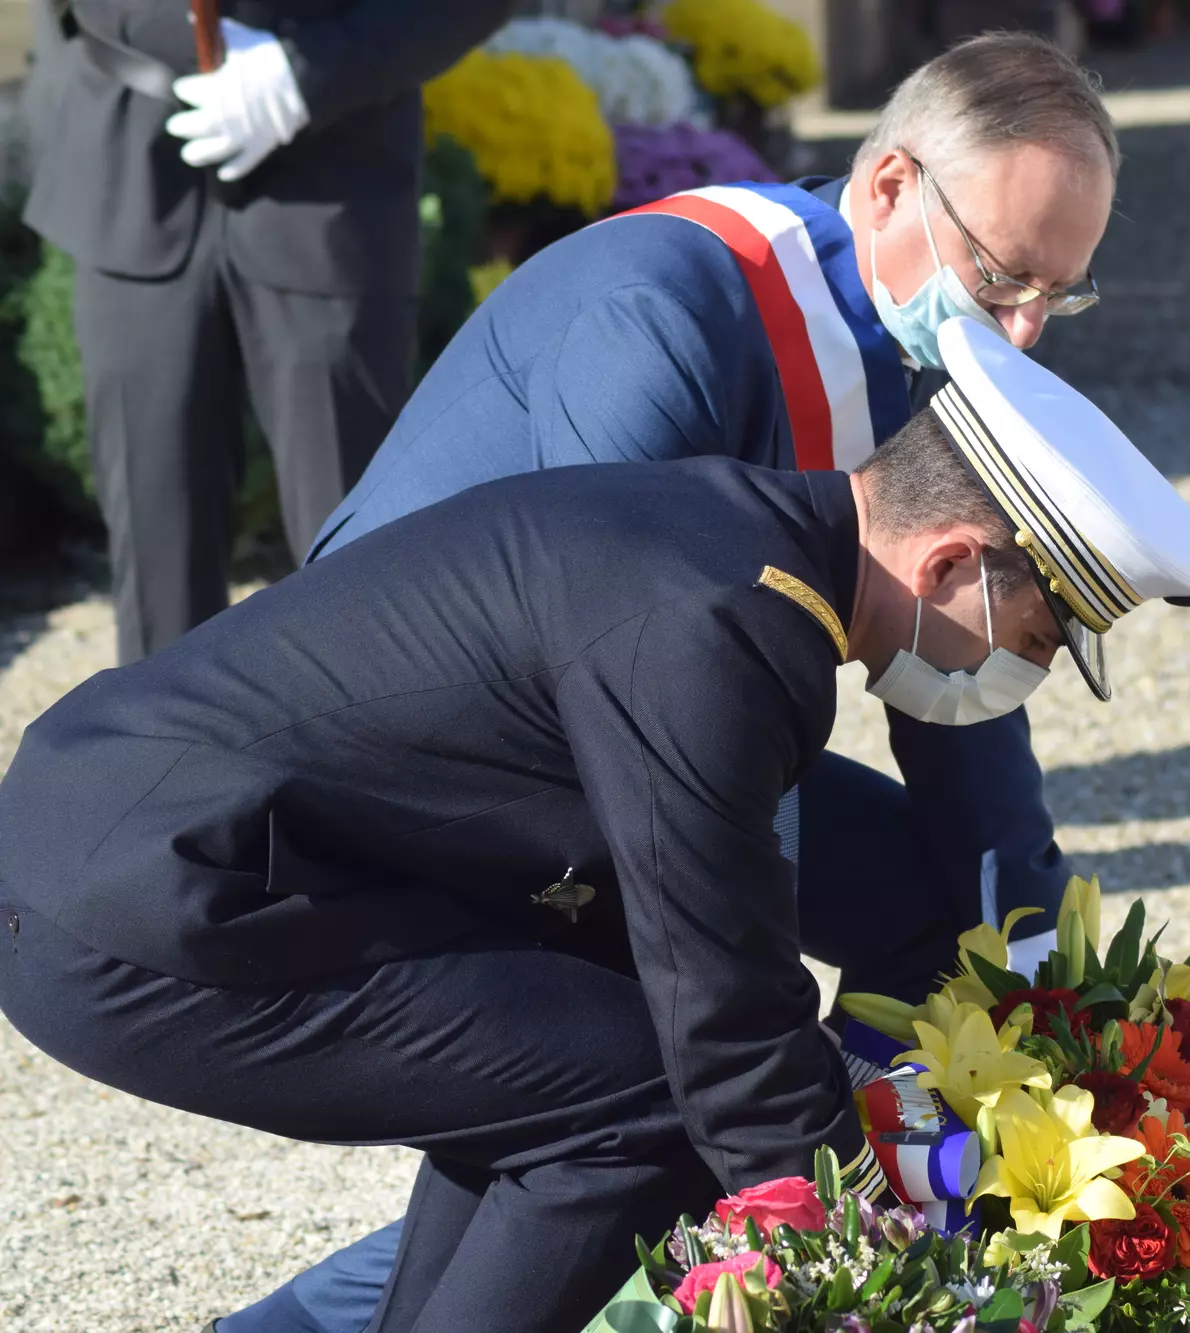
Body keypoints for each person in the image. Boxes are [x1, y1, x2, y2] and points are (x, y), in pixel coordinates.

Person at [0, 318, 1190, 1333]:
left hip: (171, 842)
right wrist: (866, 1223)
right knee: (646, 1102)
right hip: (154, 899)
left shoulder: (743, 545)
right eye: (1030, 640)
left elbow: (683, 923)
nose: (1010, 681)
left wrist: (871, 1134)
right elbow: (721, 1004)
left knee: (590, 1062)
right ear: (949, 563)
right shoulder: (723, 623)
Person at [210, 34, 1122, 1333]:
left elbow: (958, 664)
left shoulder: (934, 337)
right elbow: (633, 690)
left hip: (653, 724)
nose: (1024, 329)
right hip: (413, 765)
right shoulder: (662, 312)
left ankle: (886, 1247)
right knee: (660, 1066)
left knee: (937, 917)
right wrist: (763, 1067)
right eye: (1005, 276)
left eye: (1060, 296)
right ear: (888, 189)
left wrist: (1034, 981)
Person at [20, 0, 512, 665]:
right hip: (132, 167)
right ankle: (168, 758)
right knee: (155, 537)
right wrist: (195, 44)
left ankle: (363, 760)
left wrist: (301, 75)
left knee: (355, 550)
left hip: (335, 171)